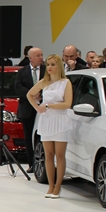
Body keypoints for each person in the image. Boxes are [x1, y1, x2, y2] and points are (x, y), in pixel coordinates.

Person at [27, 54, 73, 199]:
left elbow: (67, 104)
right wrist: (37, 108)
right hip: (46, 120)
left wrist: (48, 105)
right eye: (48, 64)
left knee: (60, 155)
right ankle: (50, 185)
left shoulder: (66, 83)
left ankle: (58, 186)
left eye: (53, 64)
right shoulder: (44, 82)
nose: (50, 67)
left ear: (59, 66)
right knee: (48, 155)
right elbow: (29, 95)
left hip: (60, 120)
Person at [14, 47, 45, 173]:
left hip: (43, 108)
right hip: (27, 109)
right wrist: (31, 94)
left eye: (41, 55)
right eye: (38, 55)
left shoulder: (46, 70)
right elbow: (17, 87)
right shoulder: (22, 72)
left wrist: (41, 94)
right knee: (28, 137)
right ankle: (31, 163)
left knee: (43, 136)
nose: (41, 58)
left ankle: (43, 162)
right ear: (30, 58)